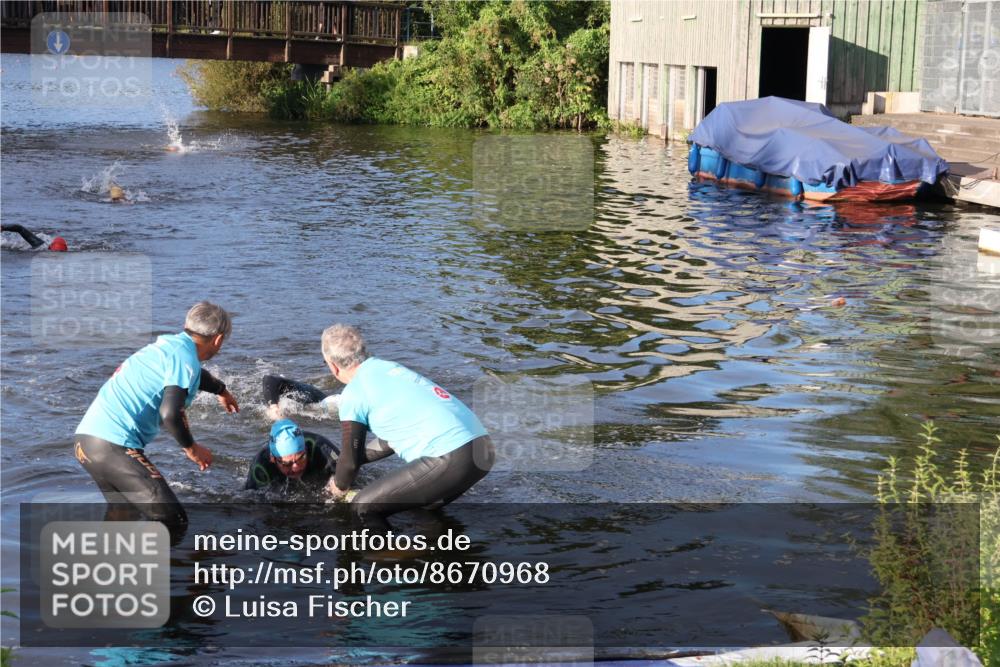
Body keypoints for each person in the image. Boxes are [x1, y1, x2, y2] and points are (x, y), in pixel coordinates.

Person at [74, 301, 238, 533]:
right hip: (113, 445)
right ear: (218, 339)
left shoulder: (171, 347)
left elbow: (195, 376)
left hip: (86, 442)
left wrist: (221, 390)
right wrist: (192, 448)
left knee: (123, 515)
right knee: (173, 521)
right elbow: (170, 413)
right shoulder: (185, 359)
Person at [321, 324, 495, 532]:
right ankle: (439, 554)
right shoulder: (390, 368)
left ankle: (391, 561)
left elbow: (349, 466)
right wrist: (353, 458)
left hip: (451, 456)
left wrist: (337, 487)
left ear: (332, 366)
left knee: (363, 507)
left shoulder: (354, 393)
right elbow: (391, 438)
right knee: (420, 508)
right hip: (482, 449)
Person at [244, 418, 340, 491]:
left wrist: (339, 483)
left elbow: (349, 470)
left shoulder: (319, 446)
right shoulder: (260, 467)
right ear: (273, 458)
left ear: (306, 449)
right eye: (287, 464)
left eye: (301, 458)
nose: (296, 468)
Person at [1, 224, 67, 251]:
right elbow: (20, 228)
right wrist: (3, 227)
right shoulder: (40, 245)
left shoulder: (39, 245)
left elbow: (19, 228)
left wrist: (3, 227)